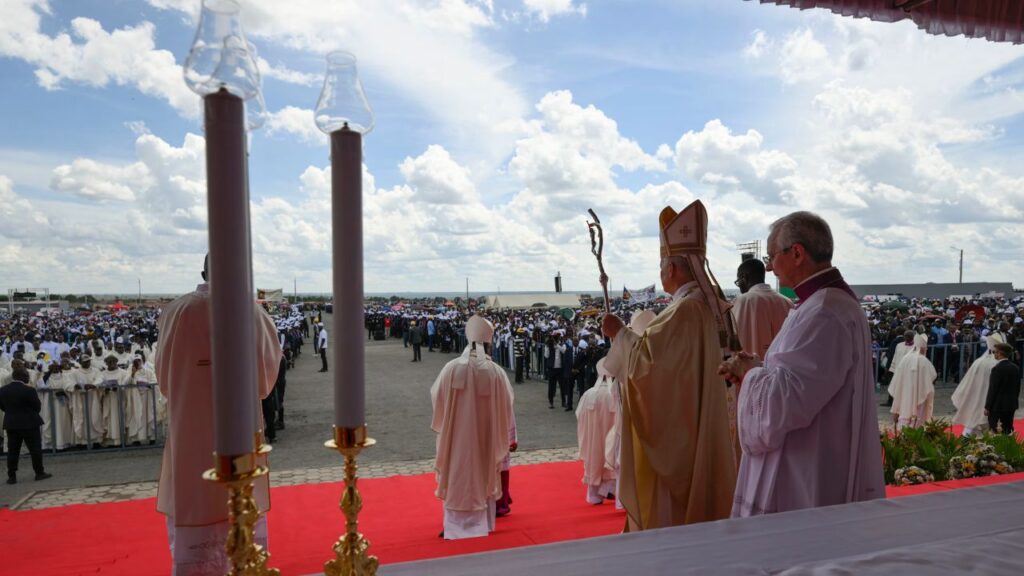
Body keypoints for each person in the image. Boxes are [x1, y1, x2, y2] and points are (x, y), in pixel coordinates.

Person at [719, 211, 884, 518]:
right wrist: (758, 366)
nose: (769, 267)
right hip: (815, 453)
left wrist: (750, 373)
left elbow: (786, 402)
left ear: (796, 253)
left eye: (772, 256)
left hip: (807, 467)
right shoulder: (821, 302)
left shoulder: (824, 311)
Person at [601, 199, 738, 531]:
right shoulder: (710, 305)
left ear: (673, 268)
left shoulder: (685, 310)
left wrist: (619, 333)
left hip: (683, 435)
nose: (660, 272)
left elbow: (651, 370)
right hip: (702, 421)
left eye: (661, 264)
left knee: (673, 521)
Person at [155, 256, 282, 575]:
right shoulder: (251, 311)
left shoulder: (176, 311)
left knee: (193, 492)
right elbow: (267, 380)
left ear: (202, 273)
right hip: (240, 428)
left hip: (190, 428)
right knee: (242, 506)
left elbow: (163, 378)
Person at [431, 315, 514, 539]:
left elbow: (436, 396)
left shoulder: (450, 369)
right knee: (483, 472)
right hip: (486, 436)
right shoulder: (495, 372)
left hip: (456, 437)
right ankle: (482, 524)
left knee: (457, 471)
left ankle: (454, 525)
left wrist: (449, 417)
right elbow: (508, 404)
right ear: (488, 343)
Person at [731, 258, 793, 359]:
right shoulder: (788, 302)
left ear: (745, 277)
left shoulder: (741, 301)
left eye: (738, 282)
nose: (739, 287)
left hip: (750, 371)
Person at [576, 358, 618, 505]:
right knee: (610, 459)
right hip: (610, 434)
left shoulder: (588, 394)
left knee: (595, 460)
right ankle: (610, 490)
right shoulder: (615, 394)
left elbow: (579, 414)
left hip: (593, 437)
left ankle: (595, 496)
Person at [0, 366, 52, 484]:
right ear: (21, 377)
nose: (28, 378)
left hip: (11, 424)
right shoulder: (29, 390)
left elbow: (2, 407)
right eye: (26, 376)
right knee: (35, 450)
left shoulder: (2, 390)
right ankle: (39, 473)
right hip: (30, 423)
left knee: (13, 451)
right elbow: (37, 407)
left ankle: (12, 476)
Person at [951, 333, 1006, 436]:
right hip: (990, 400)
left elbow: (967, 381)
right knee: (988, 426)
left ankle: (966, 439)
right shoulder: (998, 364)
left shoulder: (978, 361)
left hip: (975, 396)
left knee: (973, 421)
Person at [888, 333, 936, 430]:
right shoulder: (924, 361)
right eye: (925, 348)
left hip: (905, 392)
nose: (926, 350)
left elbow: (897, 376)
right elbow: (932, 376)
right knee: (918, 414)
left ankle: (902, 431)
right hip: (920, 393)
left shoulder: (905, 358)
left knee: (905, 410)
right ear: (922, 348)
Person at [986, 342, 1021, 435]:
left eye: (995, 352)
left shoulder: (997, 369)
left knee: (995, 431)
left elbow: (993, 389)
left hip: (997, 406)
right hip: (1011, 404)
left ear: (1000, 353)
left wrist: (987, 406)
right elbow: (1017, 388)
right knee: (1008, 430)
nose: (994, 354)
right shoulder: (1015, 368)